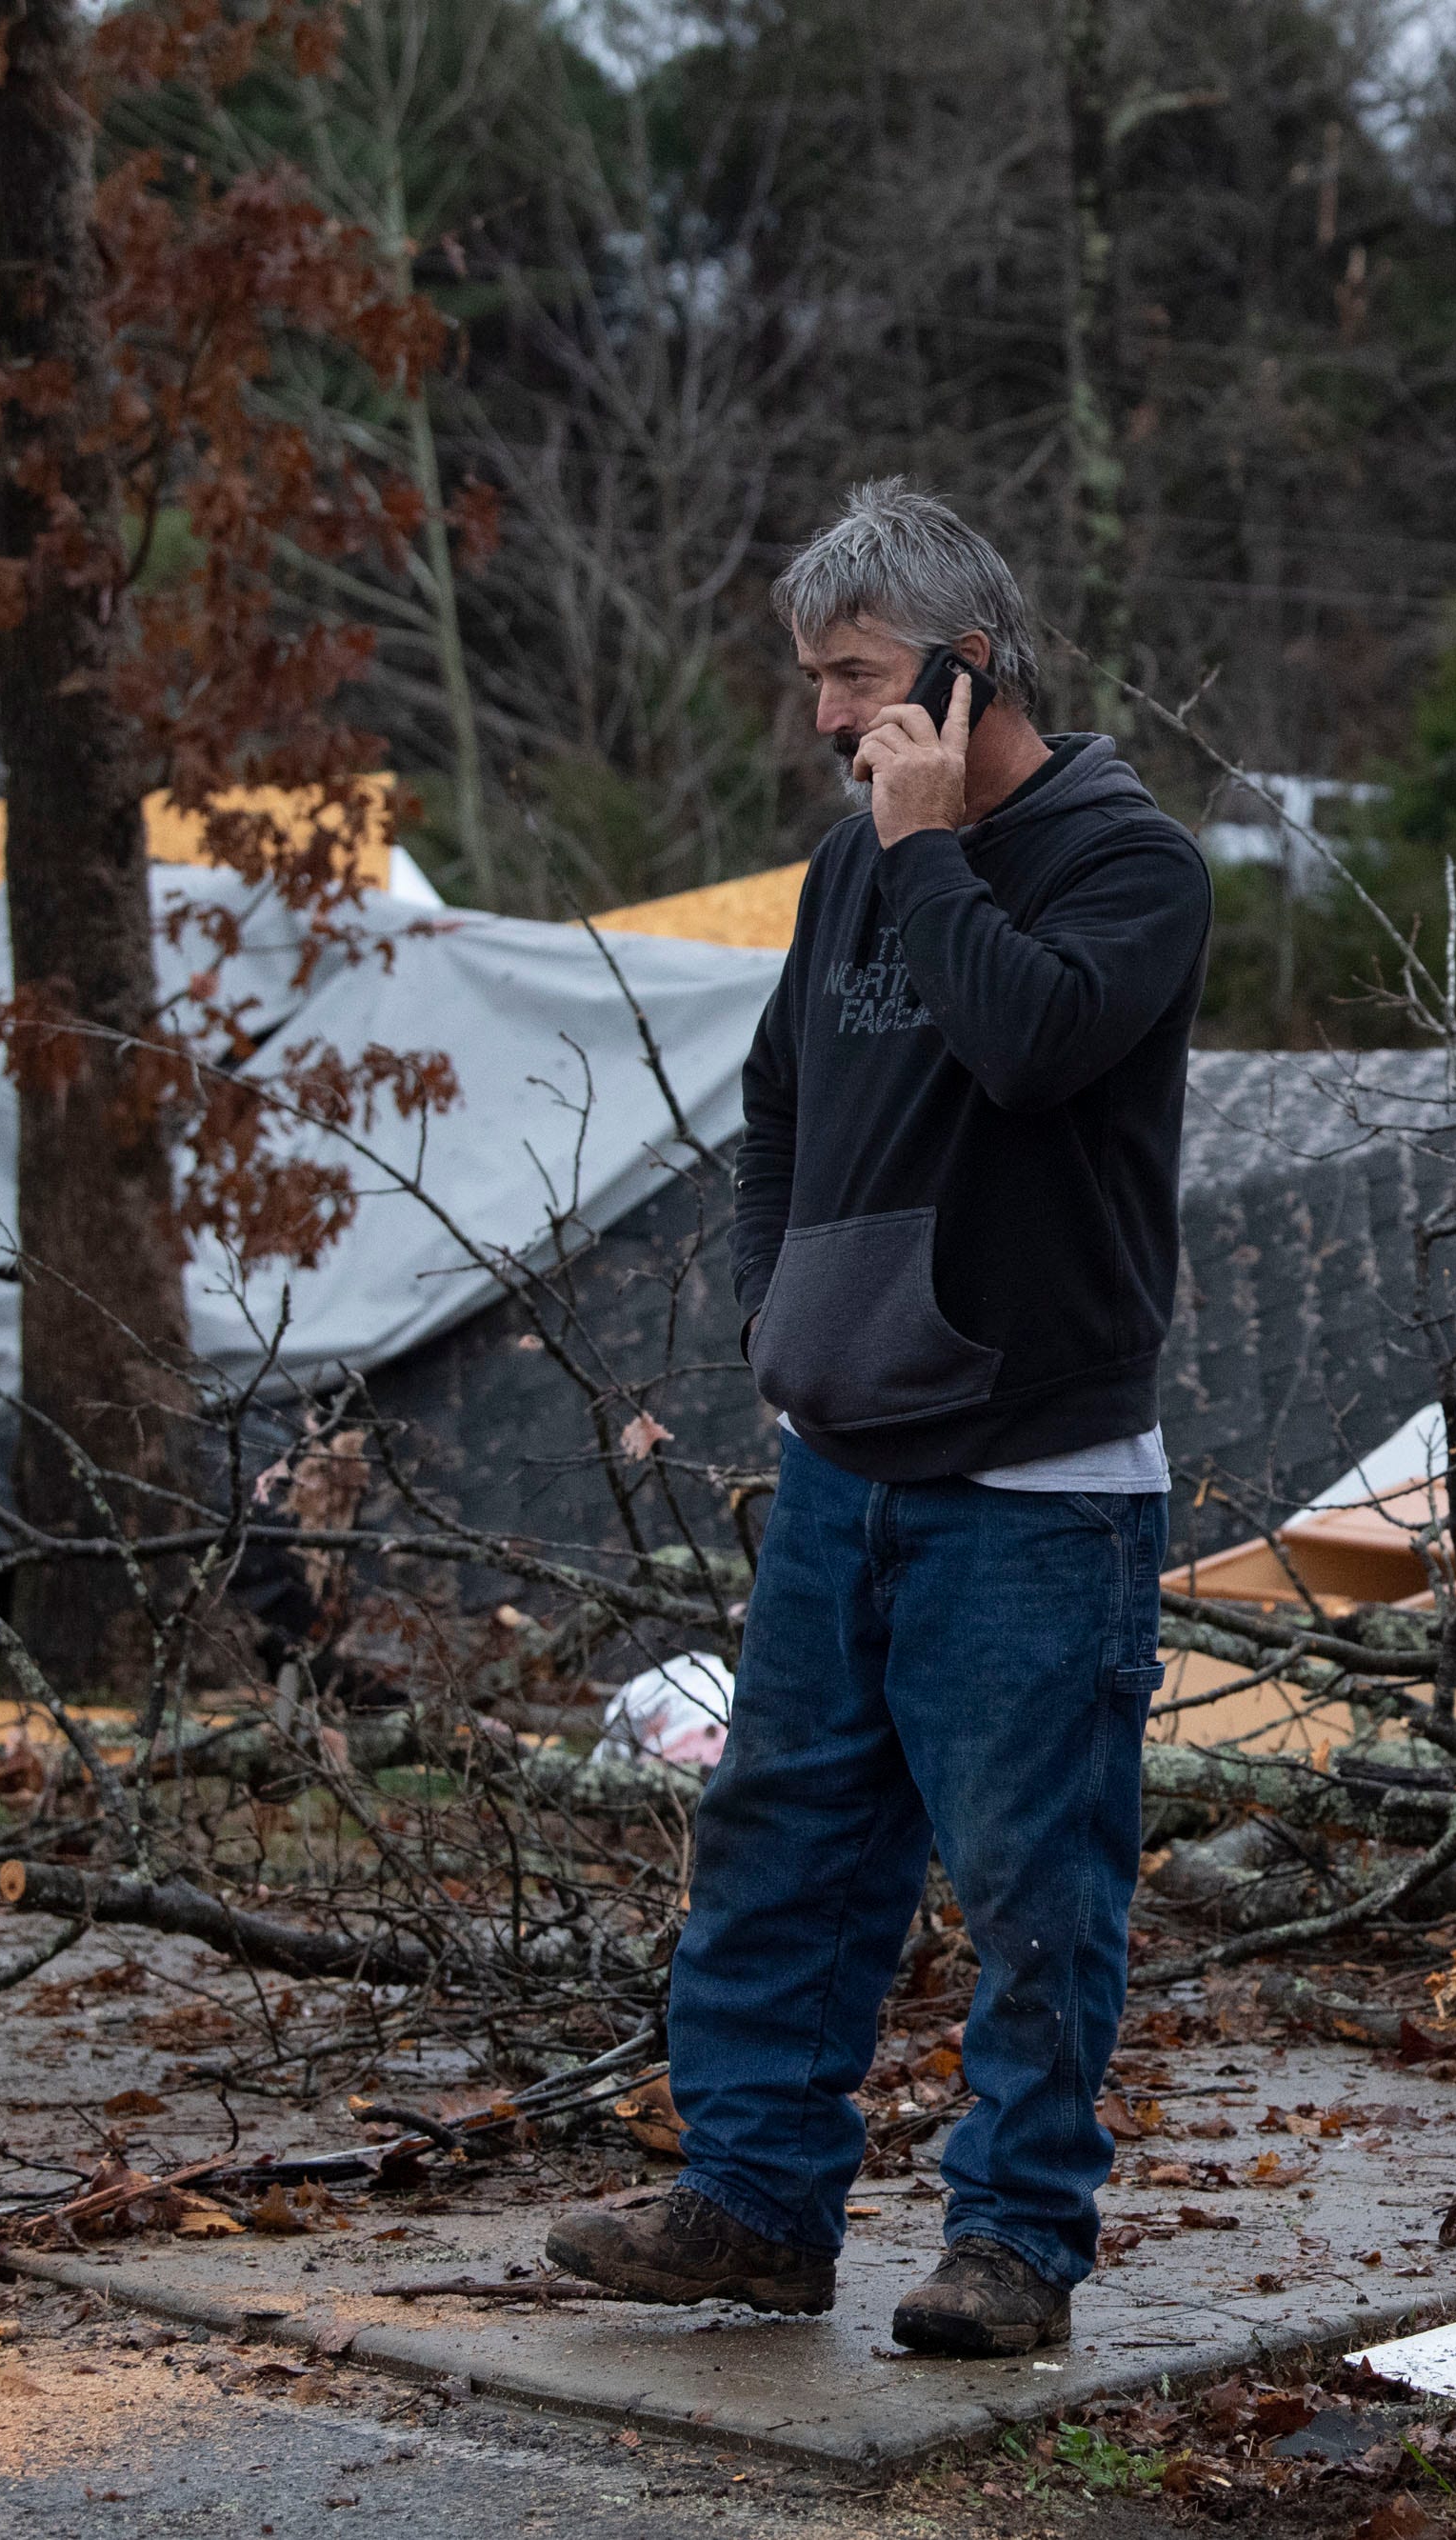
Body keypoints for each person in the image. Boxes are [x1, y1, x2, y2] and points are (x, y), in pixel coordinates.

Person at [545, 480, 1211, 2356]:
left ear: (960, 662)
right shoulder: (845, 867)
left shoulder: (1124, 861)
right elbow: (777, 1097)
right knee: (782, 1844)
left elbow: (1024, 1046)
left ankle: (1011, 2244)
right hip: (842, 1465)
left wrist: (927, 852)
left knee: (1032, 1881)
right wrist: (774, 1300)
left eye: (852, 677)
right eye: (814, 680)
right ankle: (751, 2202)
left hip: (1035, 1480)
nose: (828, 718)